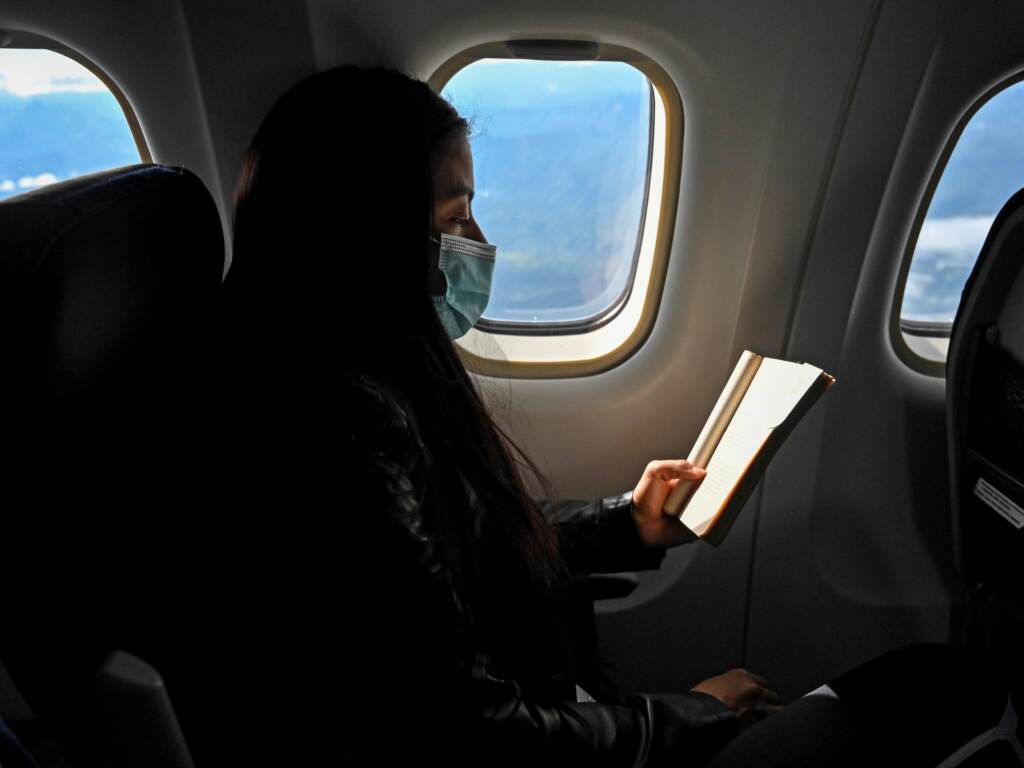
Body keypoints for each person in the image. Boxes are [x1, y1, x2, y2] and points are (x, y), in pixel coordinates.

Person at [220, 65, 1012, 768]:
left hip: (559, 721)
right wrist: (691, 717)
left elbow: (450, 556)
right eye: (455, 215)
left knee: (935, 686)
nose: (478, 241)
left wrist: (623, 524)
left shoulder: (355, 377)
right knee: (944, 688)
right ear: (367, 228)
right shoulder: (334, 426)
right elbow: (465, 735)